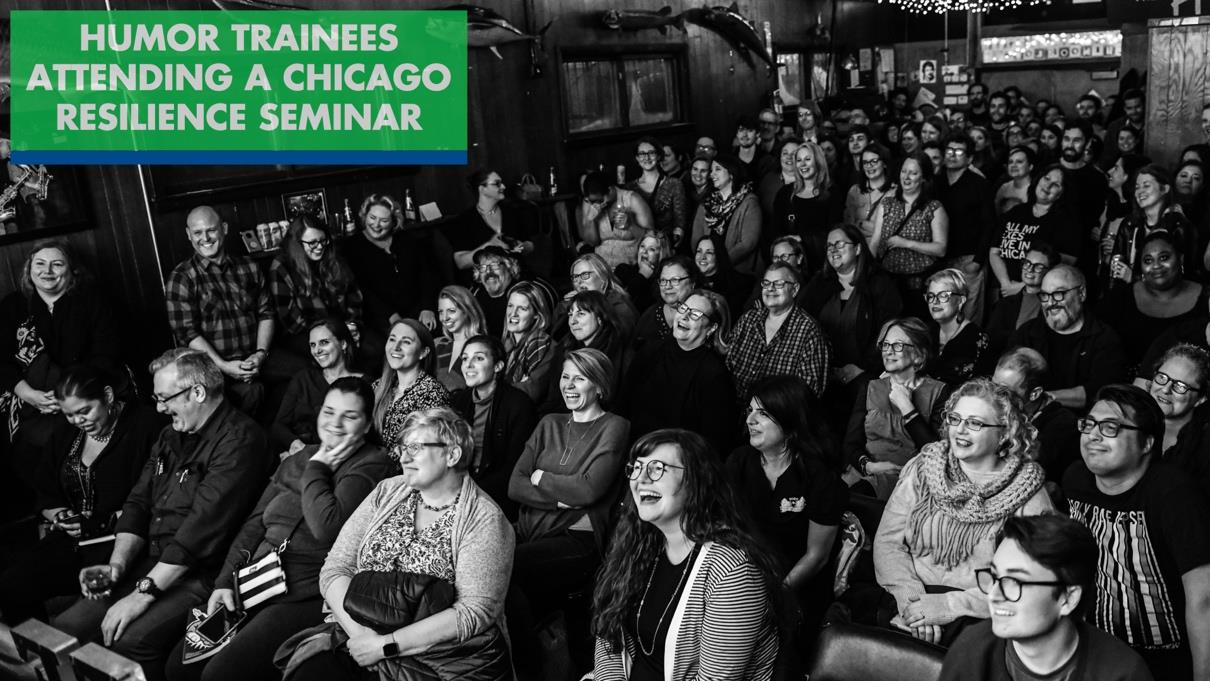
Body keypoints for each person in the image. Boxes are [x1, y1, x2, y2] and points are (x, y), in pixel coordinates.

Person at [52, 349, 270, 681]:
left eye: (165, 398)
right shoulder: (170, 435)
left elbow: (201, 530)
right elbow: (138, 503)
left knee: (126, 642)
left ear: (197, 392)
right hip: (149, 563)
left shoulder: (240, 440)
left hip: (198, 575)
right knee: (65, 630)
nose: (159, 408)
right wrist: (117, 565)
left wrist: (143, 595)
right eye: (156, 398)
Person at [165, 378, 392, 681]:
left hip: (306, 593)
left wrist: (318, 466)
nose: (335, 423)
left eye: (349, 416)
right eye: (329, 412)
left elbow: (326, 526)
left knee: (220, 675)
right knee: (178, 668)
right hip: (254, 581)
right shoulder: (299, 457)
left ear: (365, 426)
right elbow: (255, 524)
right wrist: (224, 582)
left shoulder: (372, 464)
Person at [285, 407, 514, 681]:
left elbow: (473, 612)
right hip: (358, 631)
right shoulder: (388, 491)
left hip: (435, 658)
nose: (404, 457)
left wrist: (386, 646)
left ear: (452, 455)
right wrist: (363, 638)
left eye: (416, 447)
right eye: (403, 447)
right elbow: (336, 567)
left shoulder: (485, 518)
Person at [875, 378, 1053, 646]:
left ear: (1004, 433)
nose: (959, 430)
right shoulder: (923, 468)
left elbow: (1026, 582)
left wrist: (948, 606)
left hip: (980, 616)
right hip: (906, 600)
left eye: (975, 423)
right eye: (955, 418)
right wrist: (913, 605)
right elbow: (888, 542)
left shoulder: (1028, 494)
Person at [592, 429, 781, 680]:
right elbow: (609, 636)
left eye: (657, 468)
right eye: (636, 468)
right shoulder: (639, 545)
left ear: (696, 480)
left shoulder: (732, 570)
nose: (641, 479)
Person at [1065, 384, 1210, 681]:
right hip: (1093, 649)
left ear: (1146, 443)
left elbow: (1204, 599)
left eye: (1110, 427)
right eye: (1089, 424)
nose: (1092, 435)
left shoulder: (1173, 494)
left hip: (1165, 662)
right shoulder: (1076, 479)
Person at [0, 367, 162, 625]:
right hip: (76, 541)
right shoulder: (67, 431)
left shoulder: (146, 426)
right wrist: (59, 514)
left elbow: (153, 499)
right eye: (69, 415)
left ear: (108, 396)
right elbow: (45, 489)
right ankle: (39, 658)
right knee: (11, 585)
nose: (77, 421)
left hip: (124, 539)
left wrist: (100, 521)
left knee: (75, 622)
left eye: (84, 411)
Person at [509, 349, 629, 670]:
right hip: (531, 534)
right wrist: (565, 497)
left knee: (508, 568)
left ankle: (529, 671)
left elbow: (589, 489)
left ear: (600, 386)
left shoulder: (615, 426)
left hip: (579, 543)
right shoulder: (548, 422)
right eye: (565, 376)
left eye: (580, 377)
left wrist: (542, 476)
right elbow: (515, 484)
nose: (569, 385)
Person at [939, 515, 1155, 681]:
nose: (994, 595)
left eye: (1015, 582)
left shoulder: (1123, 673)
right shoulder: (972, 649)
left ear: (1068, 599)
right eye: (995, 577)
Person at [0, 240, 122, 494]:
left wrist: (68, 395)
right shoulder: (14, 305)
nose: (48, 271)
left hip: (82, 391)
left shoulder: (91, 300)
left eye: (57, 264)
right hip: (30, 396)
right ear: (28, 270)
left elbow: (106, 353)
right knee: (26, 455)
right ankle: (50, 511)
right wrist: (29, 395)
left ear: (71, 271)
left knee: (72, 444)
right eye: (40, 264)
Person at [728, 376, 847, 635]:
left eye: (762, 413)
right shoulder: (739, 462)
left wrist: (775, 596)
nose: (750, 420)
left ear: (790, 419)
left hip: (795, 587)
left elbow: (816, 556)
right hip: (741, 579)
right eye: (750, 411)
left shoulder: (821, 477)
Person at [163, 206, 276, 414]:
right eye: (197, 233)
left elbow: (266, 313)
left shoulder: (249, 267)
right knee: (252, 392)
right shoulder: (182, 278)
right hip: (212, 370)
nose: (205, 238)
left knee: (305, 372)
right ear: (189, 235)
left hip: (257, 357)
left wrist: (260, 354)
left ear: (224, 229)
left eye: (211, 230)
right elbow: (187, 334)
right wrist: (224, 366)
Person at [624, 289, 737, 454]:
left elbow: (714, 442)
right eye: (683, 309)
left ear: (712, 328)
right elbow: (624, 404)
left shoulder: (715, 374)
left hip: (681, 459)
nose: (684, 317)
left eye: (695, 314)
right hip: (636, 449)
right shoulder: (650, 351)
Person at [845, 317, 947, 499]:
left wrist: (907, 407)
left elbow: (936, 455)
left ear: (919, 355)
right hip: (866, 473)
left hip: (910, 480)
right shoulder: (871, 386)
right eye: (886, 345)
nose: (889, 351)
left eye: (898, 345)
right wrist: (869, 466)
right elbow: (850, 443)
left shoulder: (939, 392)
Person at [340, 194, 443, 367]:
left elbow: (427, 274)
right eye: (372, 218)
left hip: (417, 308)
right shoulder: (353, 247)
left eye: (384, 220)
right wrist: (390, 316)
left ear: (394, 221)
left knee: (436, 334)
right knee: (394, 345)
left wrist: (427, 307)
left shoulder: (407, 240)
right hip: (379, 316)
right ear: (364, 216)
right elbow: (363, 289)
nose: (376, 225)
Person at [1008, 265, 1126, 409]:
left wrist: (1040, 400)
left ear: (1081, 293)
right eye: (1045, 295)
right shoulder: (1027, 333)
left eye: (1059, 294)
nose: (1050, 303)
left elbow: (1100, 391)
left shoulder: (1105, 340)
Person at [803, 224, 902, 387]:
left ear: (857, 249)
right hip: (821, 371)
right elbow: (802, 322)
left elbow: (889, 330)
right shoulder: (818, 284)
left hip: (865, 373)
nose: (833, 249)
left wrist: (862, 368)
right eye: (829, 246)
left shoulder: (879, 283)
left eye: (840, 244)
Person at [450, 335, 537, 519]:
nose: (468, 364)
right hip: (458, 488)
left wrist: (469, 493)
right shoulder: (458, 401)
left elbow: (514, 467)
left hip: (497, 498)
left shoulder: (518, 404)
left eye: (479, 358)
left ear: (498, 366)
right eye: (465, 358)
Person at [1099, 231, 1206, 374]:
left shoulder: (1206, 299)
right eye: (1148, 260)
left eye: (1164, 257)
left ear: (1180, 258)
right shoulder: (1120, 298)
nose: (1156, 266)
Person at [727, 262, 831, 400]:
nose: (770, 288)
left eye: (779, 283)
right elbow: (727, 367)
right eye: (766, 283)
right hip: (734, 409)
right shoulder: (748, 320)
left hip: (777, 417)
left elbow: (809, 394)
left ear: (794, 290)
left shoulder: (810, 331)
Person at [268, 216, 362, 368]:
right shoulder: (281, 266)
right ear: (297, 244)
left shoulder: (332, 257)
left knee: (374, 349)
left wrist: (352, 324)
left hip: (342, 327)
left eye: (323, 240)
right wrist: (331, 335)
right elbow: (291, 321)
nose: (320, 247)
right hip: (306, 335)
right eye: (312, 243)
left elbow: (354, 297)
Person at [870, 153, 949, 318]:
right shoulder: (887, 204)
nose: (906, 177)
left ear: (924, 178)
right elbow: (875, 241)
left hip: (919, 286)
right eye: (904, 171)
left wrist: (906, 243)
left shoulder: (933, 207)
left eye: (913, 173)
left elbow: (941, 248)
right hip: (888, 283)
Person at [269, 319, 363, 456]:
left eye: (324, 343)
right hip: (299, 454)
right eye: (313, 345)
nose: (317, 350)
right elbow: (278, 426)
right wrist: (295, 444)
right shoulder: (304, 378)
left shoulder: (363, 384)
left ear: (343, 344)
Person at [989, 165, 1079, 299]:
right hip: (1005, 290)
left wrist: (1023, 287)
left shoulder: (1066, 222)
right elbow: (995, 252)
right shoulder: (1016, 212)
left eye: (1055, 185)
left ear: (1062, 193)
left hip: (1039, 294)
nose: (1047, 186)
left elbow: (1066, 263)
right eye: (1046, 178)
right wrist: (1006, 284)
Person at [991, 347, 1079, 485]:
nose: (994, 396)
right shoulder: (993, 408)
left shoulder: (1063, 427)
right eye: (993, 385)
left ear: (1035, 394)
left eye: (1004, 391)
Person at [935, 133, 994, 324]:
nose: (952, 155)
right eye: (949, 150)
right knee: (944, 311)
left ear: (969, 158)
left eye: (959, 151)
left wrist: (978, 260)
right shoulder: (936, 182)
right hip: (941, 259)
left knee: (970, 314)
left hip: (970, 259)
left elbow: (989, 224)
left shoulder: (979, 184)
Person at [1108, 165, 1199, 287]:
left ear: (1165, 189)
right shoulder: (1129, 224)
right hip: (1130, 298)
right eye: (1137, 187)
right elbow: (1116, 267)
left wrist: (1134, 278)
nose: (1140, 192)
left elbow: (1184, 276)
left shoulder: (1179, 226)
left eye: (1146, 186)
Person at [371, 319, 450, 447]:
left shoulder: (432, 392)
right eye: (392, 339)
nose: (396, 347)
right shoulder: (376, 387)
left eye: (406, 342)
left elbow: (422, 448)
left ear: (423, 352)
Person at [1144, 344, 1210, 495]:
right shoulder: (1127, 422)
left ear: (1201, 398)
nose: (1165, 389)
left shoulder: (1205, 445)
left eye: (1180, 386)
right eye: (1162, 377)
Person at [449, 168, 536, 272]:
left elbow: (530, 245)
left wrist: (521, 247)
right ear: (482, 189)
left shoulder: (512, 212)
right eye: (497, 184)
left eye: (501, 183)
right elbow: (461, 263)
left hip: (517, 275)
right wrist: (488, 247)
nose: (503, 186)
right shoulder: (464, 220)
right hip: (487, 280)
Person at [773, 141, 839, 275]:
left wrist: (802, 238)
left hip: (821, 265)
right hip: (789, 264)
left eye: (808, 159)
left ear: (818, 162)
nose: (802, 164)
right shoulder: (784, 193)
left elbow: (835, 233)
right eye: (799, 160)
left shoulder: (832, 193)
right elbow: (775, 230)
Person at [691, 153, 763, 274]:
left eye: (717, 169)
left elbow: (747, 244)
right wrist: (704, 263)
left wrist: (720, 264)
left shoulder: (749, 202)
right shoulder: (706, 203)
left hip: (737, 273)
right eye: (711, 170)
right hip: (707, 271)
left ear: (731, 173)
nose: (712, 174)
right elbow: (696, 241)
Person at [985, 242, 1058, 353]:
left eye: (1038, 266)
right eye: (1027, 263)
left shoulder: (1055, 305)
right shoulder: (1003, 305)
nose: (1030, 269)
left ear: (1049, 271)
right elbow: (990, 344)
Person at [925, 269, 990, 386]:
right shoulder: (926, 332)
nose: (935, 301)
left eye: (943, 295)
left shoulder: (978, 339)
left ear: (961, 301)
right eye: (931, 296)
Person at [578, 170, 654, 269]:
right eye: (593, 201)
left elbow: (652, 239)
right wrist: (591, 220)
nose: (597, 205)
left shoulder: (632, 199)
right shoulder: (591, 204)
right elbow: (593, 243)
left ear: (610, 190)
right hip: (602, 268)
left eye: (600, 200)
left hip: (630, 267)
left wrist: (631, 226)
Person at [560, 253, 639, 342]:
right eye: (575, 277)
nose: (579, 281)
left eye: (585, 275)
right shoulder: (571, 306)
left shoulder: (619, 309)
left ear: (603, 277)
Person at [631, 255, 701, 354]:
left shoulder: (703, 316)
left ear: (692, 283)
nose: (667, 286)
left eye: (675, 280)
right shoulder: (649, 317)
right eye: (663, 280)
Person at [501, 281, 557, 405]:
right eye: (510, 306)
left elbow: (531, 391)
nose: (513, 313)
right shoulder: (504, 346)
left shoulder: (544, 345)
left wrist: (494, 388)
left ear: (537, 315)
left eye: (522, 308)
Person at [627, 137, 689, 244]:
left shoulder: (674, 184)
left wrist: (673, 242)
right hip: (639, 243)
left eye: (651, 153)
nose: (647, 157)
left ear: (659, 156)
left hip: (667, 243)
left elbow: (680, 222)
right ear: (637, 158)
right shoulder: (629, 188)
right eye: (642, 154)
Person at [433, 285, 489, 392]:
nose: (445, 318)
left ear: (466, 310)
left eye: (451, 310)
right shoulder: (438, 344)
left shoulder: (483, 346)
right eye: (441, 312)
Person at [758, 138, 803, 262]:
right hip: (770, 244)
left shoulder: (808, 184)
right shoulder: (768, 180)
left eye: (794, 154)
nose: (789, 157)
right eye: (785, 153)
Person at [693, 233, 753, 317]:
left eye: (709, 252)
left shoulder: (734, 286)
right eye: (699, 251)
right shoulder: (689, 280)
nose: (702, 257)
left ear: (718, 255)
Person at [846, 146, 894, 246]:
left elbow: (893, 232)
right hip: (859, 250)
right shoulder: (854, 191)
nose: (869, 165)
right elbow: (848, 227)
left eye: (874, 161)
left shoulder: (895, 192)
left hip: (885, 251)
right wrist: (871, 227)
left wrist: (860, 224)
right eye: (865, 162)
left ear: (884, 163)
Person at [471, 246, 523, 337]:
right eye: (483, 267)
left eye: (494, 265)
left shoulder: (520, 296)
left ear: (509, 267)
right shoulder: (475, 296)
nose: (488, 271)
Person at [614, 231, 671, 313]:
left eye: (651, 249)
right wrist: (641, 276)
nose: (644, 251)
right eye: (642, 246)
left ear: (661, 255)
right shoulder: (623, 270)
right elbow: (619, 303)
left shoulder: (662, 281)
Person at [733, 115, 776, 181]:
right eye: (741, 130)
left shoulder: (767, 160)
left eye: (749, 130)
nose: (744, 134)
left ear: (757, 134)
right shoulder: (731, 159)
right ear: (737, 134)